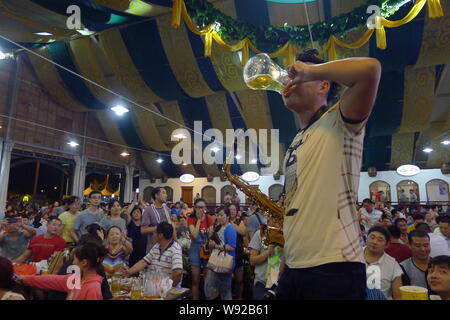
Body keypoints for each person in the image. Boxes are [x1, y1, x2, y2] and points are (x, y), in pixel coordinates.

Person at [275, 48, 381, 300]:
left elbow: (370, 70)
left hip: (334, 265)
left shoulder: (340, 120)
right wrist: (285, 265)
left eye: (296, 76)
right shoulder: (297, 139)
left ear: (324, 85)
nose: (289, 82)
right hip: (294, 266)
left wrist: (310, 70)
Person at [18, 242, 107, 300]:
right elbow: (50, 280)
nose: (73, 263)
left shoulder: (93, 288)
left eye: (74, 260)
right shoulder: (76, 280)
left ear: (84, 262)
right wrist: (25, 278)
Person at [124, 222, 183, 288]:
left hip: (166, 290)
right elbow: (143, 262)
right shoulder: (156, 246)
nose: (153, 235)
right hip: (154, 287)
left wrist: (171, 287)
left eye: (155, 232)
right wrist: (129, 271)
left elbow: (178, 272)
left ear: (160, 235)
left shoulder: (175, 248)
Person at [204, 206, 237, 300]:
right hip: (216, 260)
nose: (219, 217)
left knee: (224, 290)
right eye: (217, 215)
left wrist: (216, 246)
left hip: (224, 262)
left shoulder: (230, 228)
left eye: (221, 215)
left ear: (227, 216)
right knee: (211, 288)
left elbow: (231, 246)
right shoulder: (219, 227)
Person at [364, 226, 403, 299]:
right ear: (366, 238)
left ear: (387, 244)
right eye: (372, 237)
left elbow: (398, 296)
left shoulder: (392, 264)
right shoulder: (354, 256)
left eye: (380, 240)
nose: (374, 242)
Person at [187, 198, 214, 300]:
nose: (200, 209)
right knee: (195, 279)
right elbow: (194, 234)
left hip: (206, 249)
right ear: (194, 208)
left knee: (208, 279)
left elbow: (211, 234)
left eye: (202, 207)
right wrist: (198, 220)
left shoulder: (209, 218)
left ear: (205, 208)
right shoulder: (190, 218)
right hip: (195, 248)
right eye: (198, 207)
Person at [249, 222, 283, 300]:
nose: (275, 221)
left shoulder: (286, 234)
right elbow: (252, 261)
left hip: (280, 283)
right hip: (261, 283)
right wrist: (267, 252)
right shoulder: (260, 234)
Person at [141, 187, 172, 253]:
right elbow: (143, 230)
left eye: (166, 193)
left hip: (168, 246)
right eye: (163, 193)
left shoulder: (167, 209)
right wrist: (159, 227)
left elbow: (171, 226)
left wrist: (176, 242)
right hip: (153, 247)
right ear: (156, 195)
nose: (166, 195)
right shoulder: (148, 210)